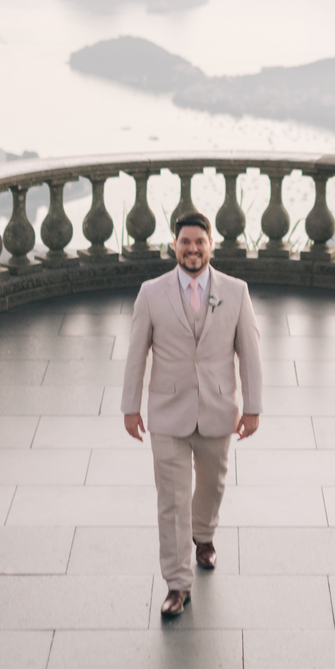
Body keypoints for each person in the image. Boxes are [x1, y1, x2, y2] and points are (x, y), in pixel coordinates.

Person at [121, 211, 263, 617]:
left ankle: (204, 535)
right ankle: (177, 584)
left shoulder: (236, 292)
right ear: (174, 246)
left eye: (199, 242)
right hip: (167, 412)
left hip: (219, 408)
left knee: (212, 484)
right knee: (171, 499)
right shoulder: (151, 293)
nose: (193, 249)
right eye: (185, 242)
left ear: (211, 245)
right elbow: (136, 354)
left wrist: (252, 408)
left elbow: (249, 353)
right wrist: (131, 407)